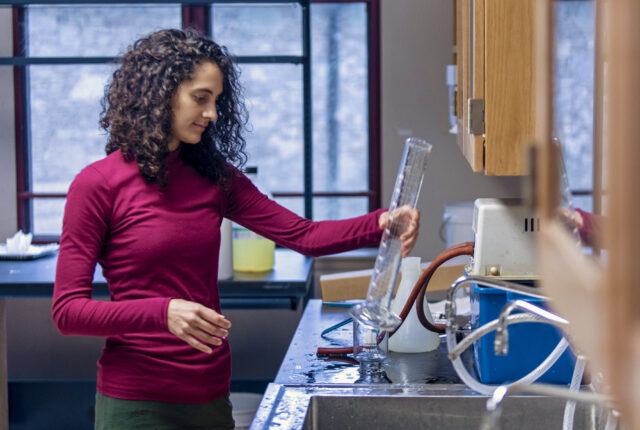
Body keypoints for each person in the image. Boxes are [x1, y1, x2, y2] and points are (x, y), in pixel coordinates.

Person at [52, 28, 420, 430]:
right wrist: (162, 312)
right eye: (200, 98)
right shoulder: (97, 185)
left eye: (216, 101)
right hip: (137, 400)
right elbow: (68, 312)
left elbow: (304, 236)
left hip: (210, 392)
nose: (211, 113)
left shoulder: (214, 177)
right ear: (160, 94)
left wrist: (381, 223)